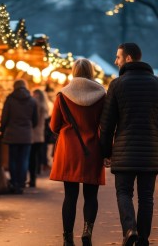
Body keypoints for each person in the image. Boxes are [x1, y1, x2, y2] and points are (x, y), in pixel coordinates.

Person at [100, 43, 158, 246]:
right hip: (150, 152)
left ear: (128, 58)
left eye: (118, 57)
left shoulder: (117, 85)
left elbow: (107, 124)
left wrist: (105, 152)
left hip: (124, 152)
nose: (115, 61)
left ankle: (129, 229)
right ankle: (143, 238)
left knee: (123, 192)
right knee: (146, 198)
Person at [49, 58, 106, 246]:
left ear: (73, 71)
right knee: (91, 195)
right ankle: (87, 231)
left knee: (70, 196)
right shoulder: (102, 95)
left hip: (69, 150)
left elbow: (54, 125)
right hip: (92, 149)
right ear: (91, 72)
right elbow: (105, 125)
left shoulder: (62, 95)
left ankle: (67, 238)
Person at [1, 79, 38, 194]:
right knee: (24, 160)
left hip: (12, 134)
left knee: (13, 160)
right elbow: (35, 120)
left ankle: (14, 183)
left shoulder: (9, 99)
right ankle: (21, 184)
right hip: (26, 135)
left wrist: (3, 131)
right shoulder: (32, 100)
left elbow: (4, 118)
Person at [29, 89, 49, 187]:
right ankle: (36, 173)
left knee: (31, 157)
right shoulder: (44, 106)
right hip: (40, 134)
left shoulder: (36, 105)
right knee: (36, 155)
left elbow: (33, 120)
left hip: (33, 134)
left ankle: (32, 178)